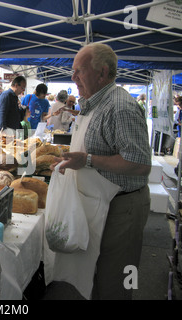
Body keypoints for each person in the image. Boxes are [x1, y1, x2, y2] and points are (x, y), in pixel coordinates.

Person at [50, 43, 151, 300]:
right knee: (96, 275)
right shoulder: (94, 102)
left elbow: (139, 163)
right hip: (99, 204)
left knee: (115, 281)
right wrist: (70, 163)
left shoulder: (121, 107)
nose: (73, 78)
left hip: (122, 208)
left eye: (79, 71)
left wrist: (88, 160)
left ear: (102, 73)